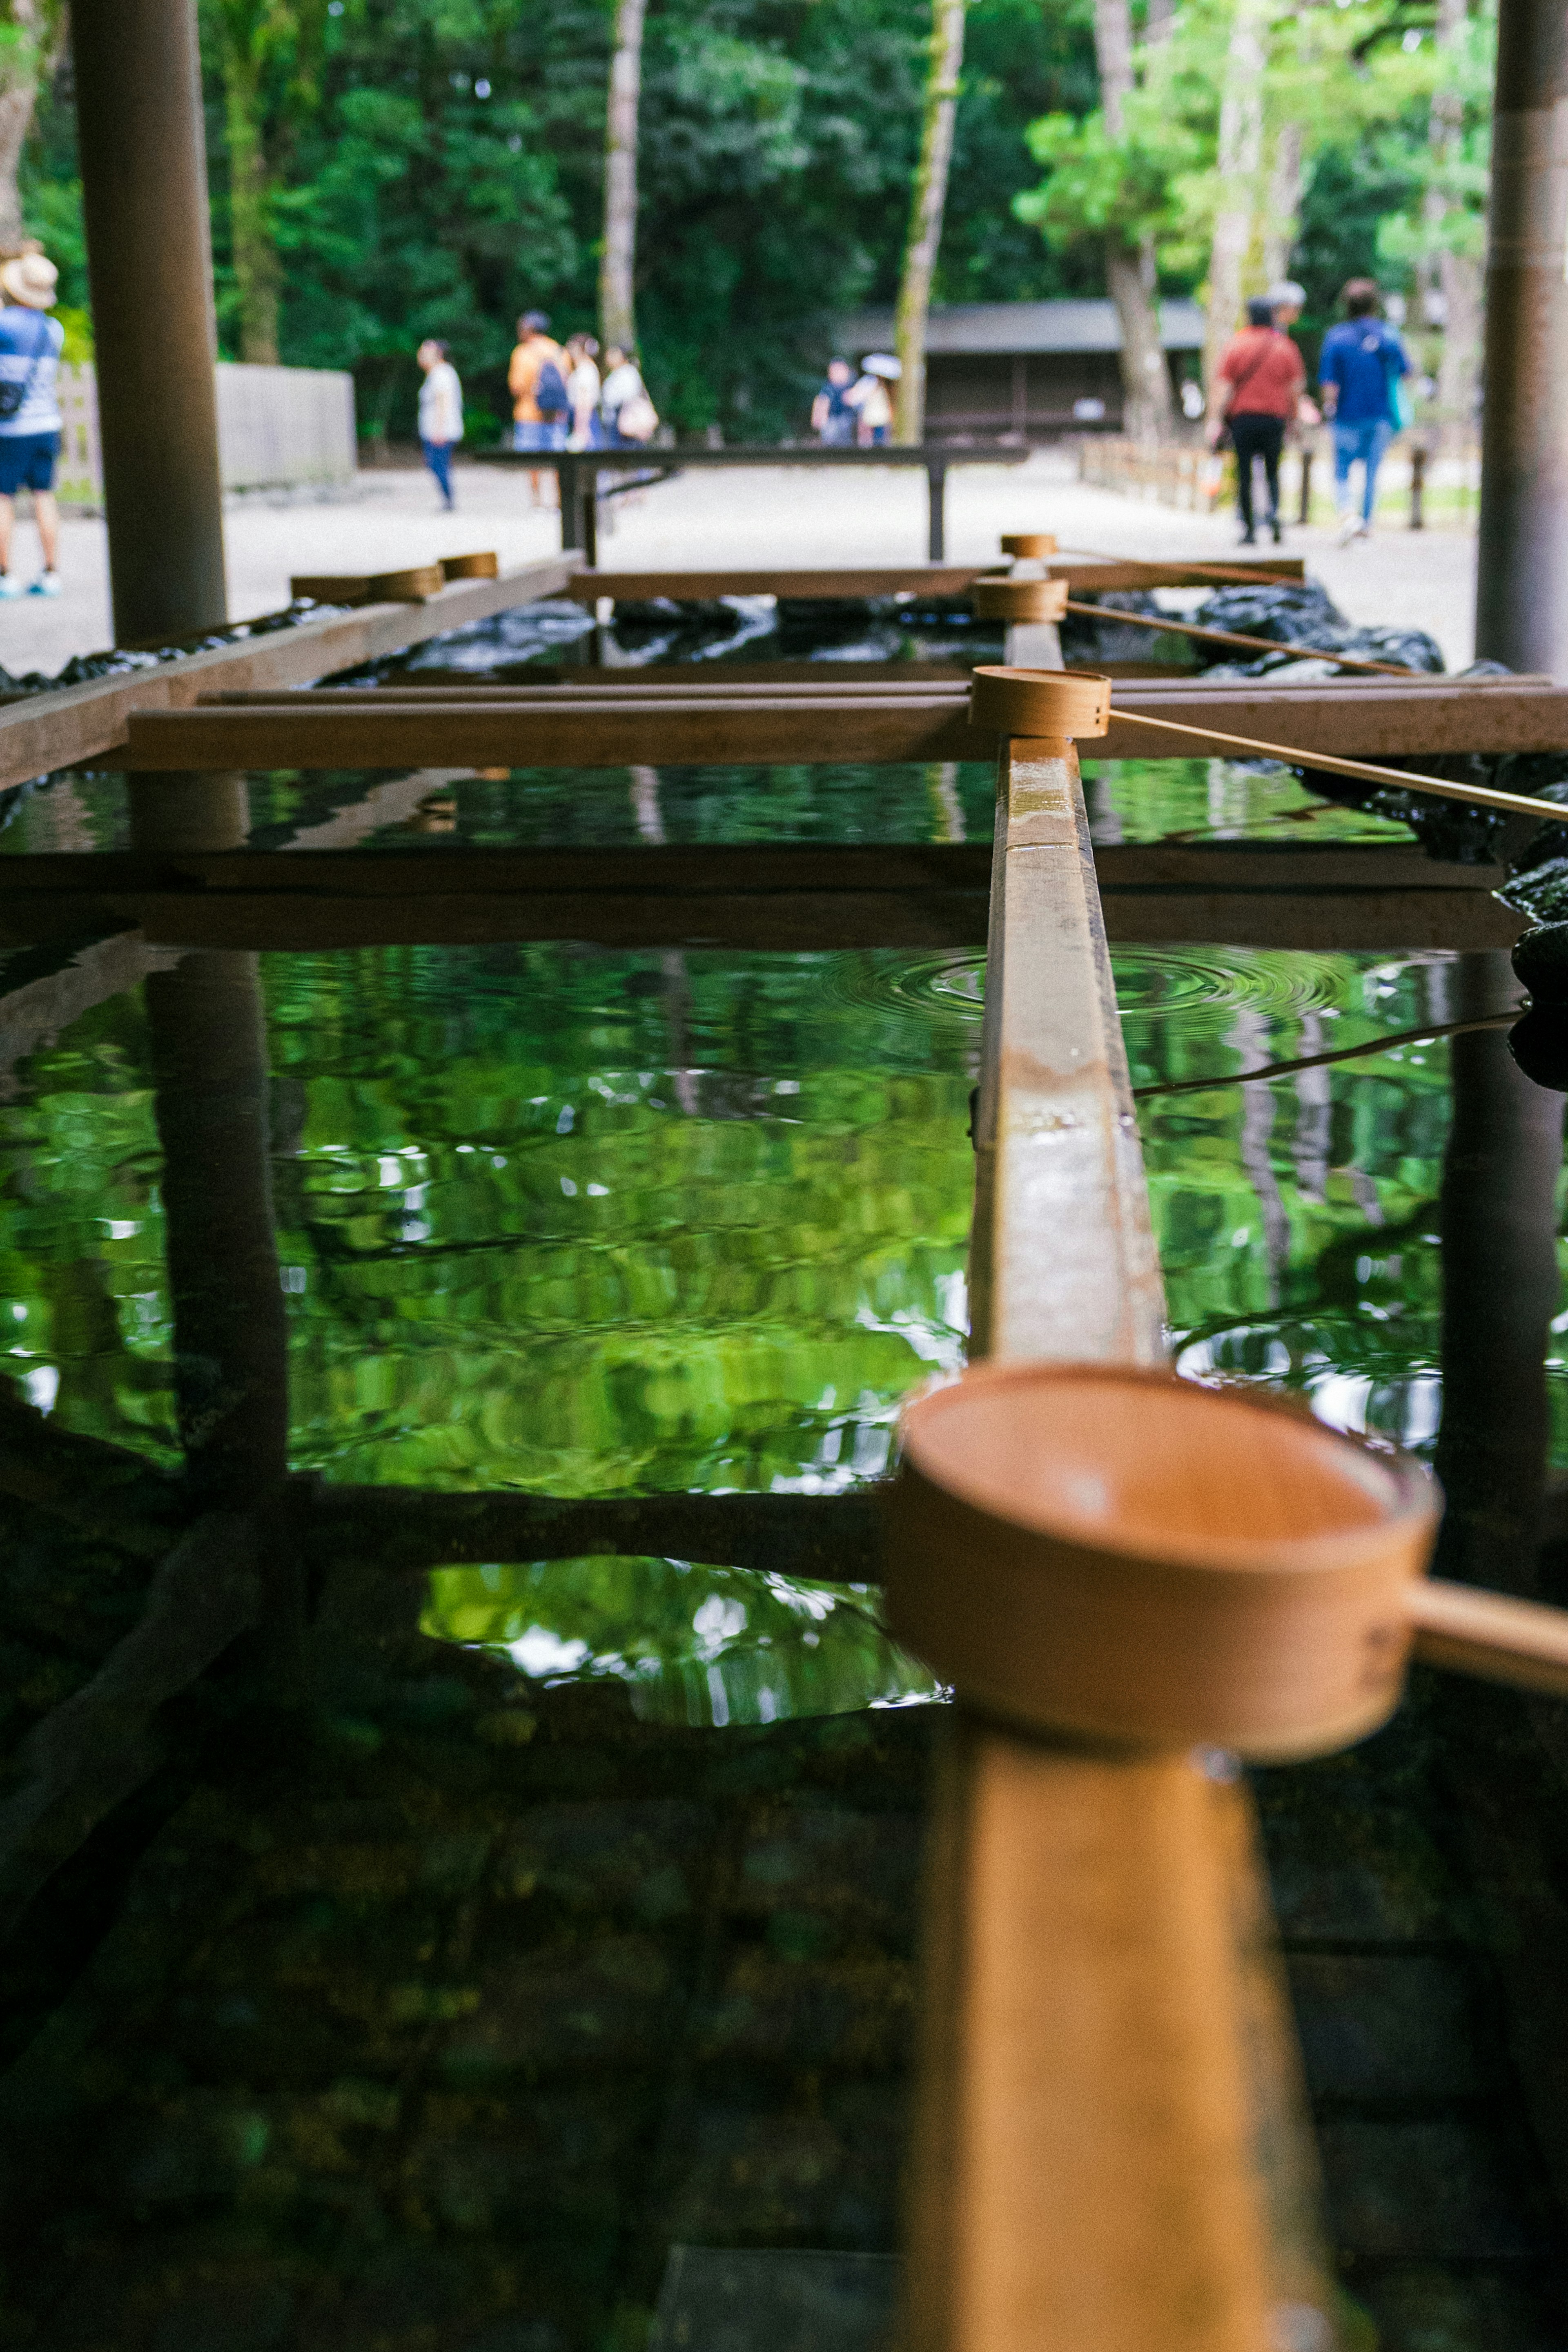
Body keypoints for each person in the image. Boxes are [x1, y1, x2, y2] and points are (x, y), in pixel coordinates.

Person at [1208, 294, 1307, 546]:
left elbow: (1224, 387)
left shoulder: (1237, 345)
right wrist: (1294, 420)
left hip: (1243, 419)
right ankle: (1273, 514)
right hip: (1275, 419)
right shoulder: (1285, 346)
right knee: (1273, 472)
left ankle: (1249, 529)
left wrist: (1216, 419)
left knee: (1244, 474)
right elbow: (1295, 389)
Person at [1319, 278, 1410, 545]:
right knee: (1372, 472)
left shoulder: (1336, 337)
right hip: (1380, 415)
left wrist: (1329, 411)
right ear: (1375, 304)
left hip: (1346, 416)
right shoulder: (1388, 335)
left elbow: (1330, 383)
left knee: (1342, 470)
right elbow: (1405, 372)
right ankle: (1366, 524)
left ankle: (1348, 516)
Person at [0, 246, 65, 598]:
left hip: (9, 429)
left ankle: (5, 574)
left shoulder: (4, 326)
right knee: (45, 495)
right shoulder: (54, 330)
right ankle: (51, 571)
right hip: (46, 423)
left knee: (3, 497)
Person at [416, 337, 462, 511]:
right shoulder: (436, 374)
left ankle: (449, 501)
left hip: (442, 431)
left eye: (426, 352)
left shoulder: (441, 373)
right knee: (436, 464)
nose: (421, 355)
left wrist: (439, 430)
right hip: (436, 430)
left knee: (438, 465)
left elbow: (444, 403)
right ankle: (448, 500)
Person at [600, 344, 656, 446]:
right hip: (615, 420)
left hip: (624, 417)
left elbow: (630, 396)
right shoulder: (616, 373)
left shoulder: (628, 372)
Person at [846, 353, 899, 446]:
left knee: (878, 444)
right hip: (872, 420)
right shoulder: (870, 382)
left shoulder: (885, 385)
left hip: (879, 420)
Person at [565, 333, 602, 449]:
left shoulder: (585, 370)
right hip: (582, 417)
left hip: (584, 418)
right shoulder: (584, 368)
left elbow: (584, 402)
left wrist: (581, 428)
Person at [812, 358, 855, 446]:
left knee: (846, 443)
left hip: (847, 419)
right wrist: (818, 417)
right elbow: (822, 402)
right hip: (832, 420)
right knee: (830, 442)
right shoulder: (829, 388)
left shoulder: (851, 386)